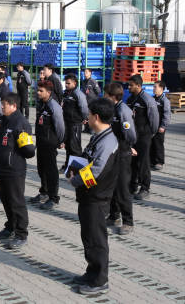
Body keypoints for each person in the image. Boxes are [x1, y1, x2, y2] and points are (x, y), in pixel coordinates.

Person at [67, 98, 119, 296]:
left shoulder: (107, 142)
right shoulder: (99, 136)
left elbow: (96, 171)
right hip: (89, 196)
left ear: (96, 117)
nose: (86, 118)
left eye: (88, 115)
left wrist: (76, 180)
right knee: (88, 237)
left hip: (97, 197)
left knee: (97, 240)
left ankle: (100, 280)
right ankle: (91, 272)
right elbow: (89, 161)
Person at [0, 93, 35, 249]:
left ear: (13, 106)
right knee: (6, 200)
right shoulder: (5, 120)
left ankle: (21, 234)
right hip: (3, 169)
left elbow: (29, 151)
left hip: (14, 170)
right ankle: (10, 227)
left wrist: (14, 155)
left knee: (16, 202)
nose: (1, 107)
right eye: (1, 104)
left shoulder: (20, 123)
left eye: (4, 104)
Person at [105, 83, 137, 235]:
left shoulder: (123, 111)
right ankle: (113, 215)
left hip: (122, 154)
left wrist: (127, 147)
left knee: (123, 189)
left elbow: (131, 135)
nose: (104, 97)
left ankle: (128, 221)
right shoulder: (112, 108)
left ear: (113, 96)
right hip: (112, 152)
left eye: (106, 95)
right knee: (112, 186)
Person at [31, 80, 65, 210]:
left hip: (50, 143)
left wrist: (60, 141)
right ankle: (44, 192)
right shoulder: (42, 104)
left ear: (48, 92)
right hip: (41, 142)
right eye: (38, 90)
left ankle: (53, 197)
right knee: (41, 169)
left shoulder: (53, 106)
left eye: (41, 91)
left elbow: (60, 126)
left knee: (51, 171)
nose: (38, 93)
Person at [126, 75, 159, 200]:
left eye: (131, 85)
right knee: (132, 162)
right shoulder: (129, 99)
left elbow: (154, 119)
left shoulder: (147, 100)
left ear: (138, 86)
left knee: (143, 162)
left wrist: (150, 133)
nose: (129, 87)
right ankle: (133, 185)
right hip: (132, 136)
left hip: (144, 136)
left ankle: (145, 188)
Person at [60, 73, 89, 172]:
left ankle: (77, 170)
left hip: (75, 124)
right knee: (68, 146)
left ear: (74, 83)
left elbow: (84, 108)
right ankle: (68, 166)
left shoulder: (78, 94)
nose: (66, 85)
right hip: (66, 123)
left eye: (68, 83)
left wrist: (85, 118)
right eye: (66, 83)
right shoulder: (66, 93)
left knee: (75, 147)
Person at [150, 81, 171, 171]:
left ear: (161, 89)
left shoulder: (164, 101)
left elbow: (167, 115)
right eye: (153, 87)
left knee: (158, 144)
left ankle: (159, 162)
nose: (154, 89)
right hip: (152, 126)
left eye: (155, 87)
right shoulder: (152, 99)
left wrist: (163, 126)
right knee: (151, 144)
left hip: (159, 127)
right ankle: (152, 161)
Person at [81, 69, 101, 135]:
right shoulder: (83, 81)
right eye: (84, 72)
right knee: (86, 115)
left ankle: (92, 129)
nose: (85, 73)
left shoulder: (93, 81)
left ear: (90, 73)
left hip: (92, 102)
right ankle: (86, 128)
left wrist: (93, 97)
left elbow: (98, 91)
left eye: (87, 72)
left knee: (92, 115)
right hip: (86, 101)